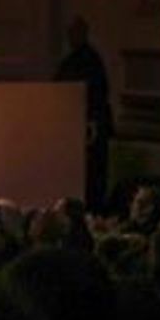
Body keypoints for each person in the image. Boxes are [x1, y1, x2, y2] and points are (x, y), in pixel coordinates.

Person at [55, 15, 112, 212]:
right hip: (77, 125)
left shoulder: (89, 61)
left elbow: (97, 94)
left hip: (87, 128)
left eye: (73, 33)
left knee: (91, 176)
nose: (70, 37)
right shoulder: (74, 61)